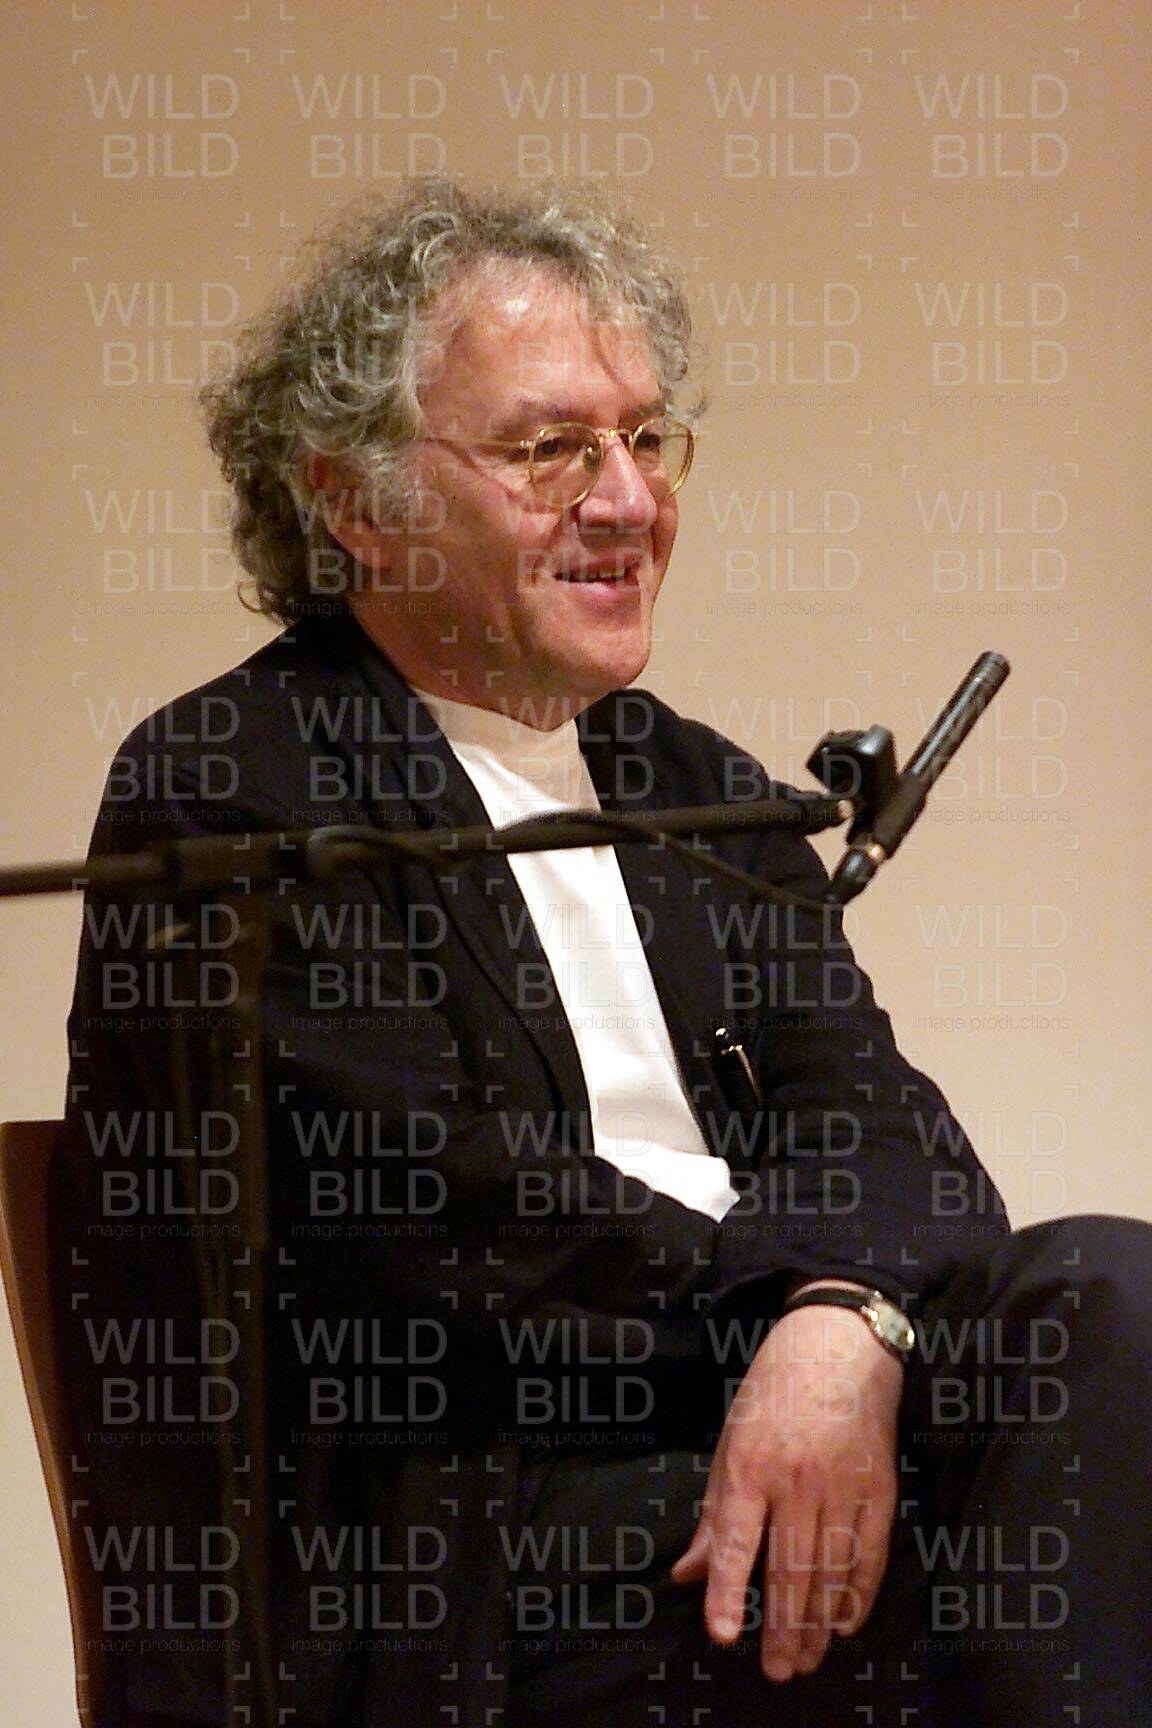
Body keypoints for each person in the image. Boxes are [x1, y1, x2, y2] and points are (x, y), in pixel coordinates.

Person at [57, 179, 1151, 1728]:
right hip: (466, 1551)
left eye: (644, 438)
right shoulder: (233, 781)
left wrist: (842, 1317)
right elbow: (440, 1219)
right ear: (354, 502)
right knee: (1040, 1550)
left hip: (747, 1433)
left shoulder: (686, 781)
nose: (629, 500)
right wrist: (799, 1320)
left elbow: (888, 1129)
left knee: (1110, 1298)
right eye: (550, 448)